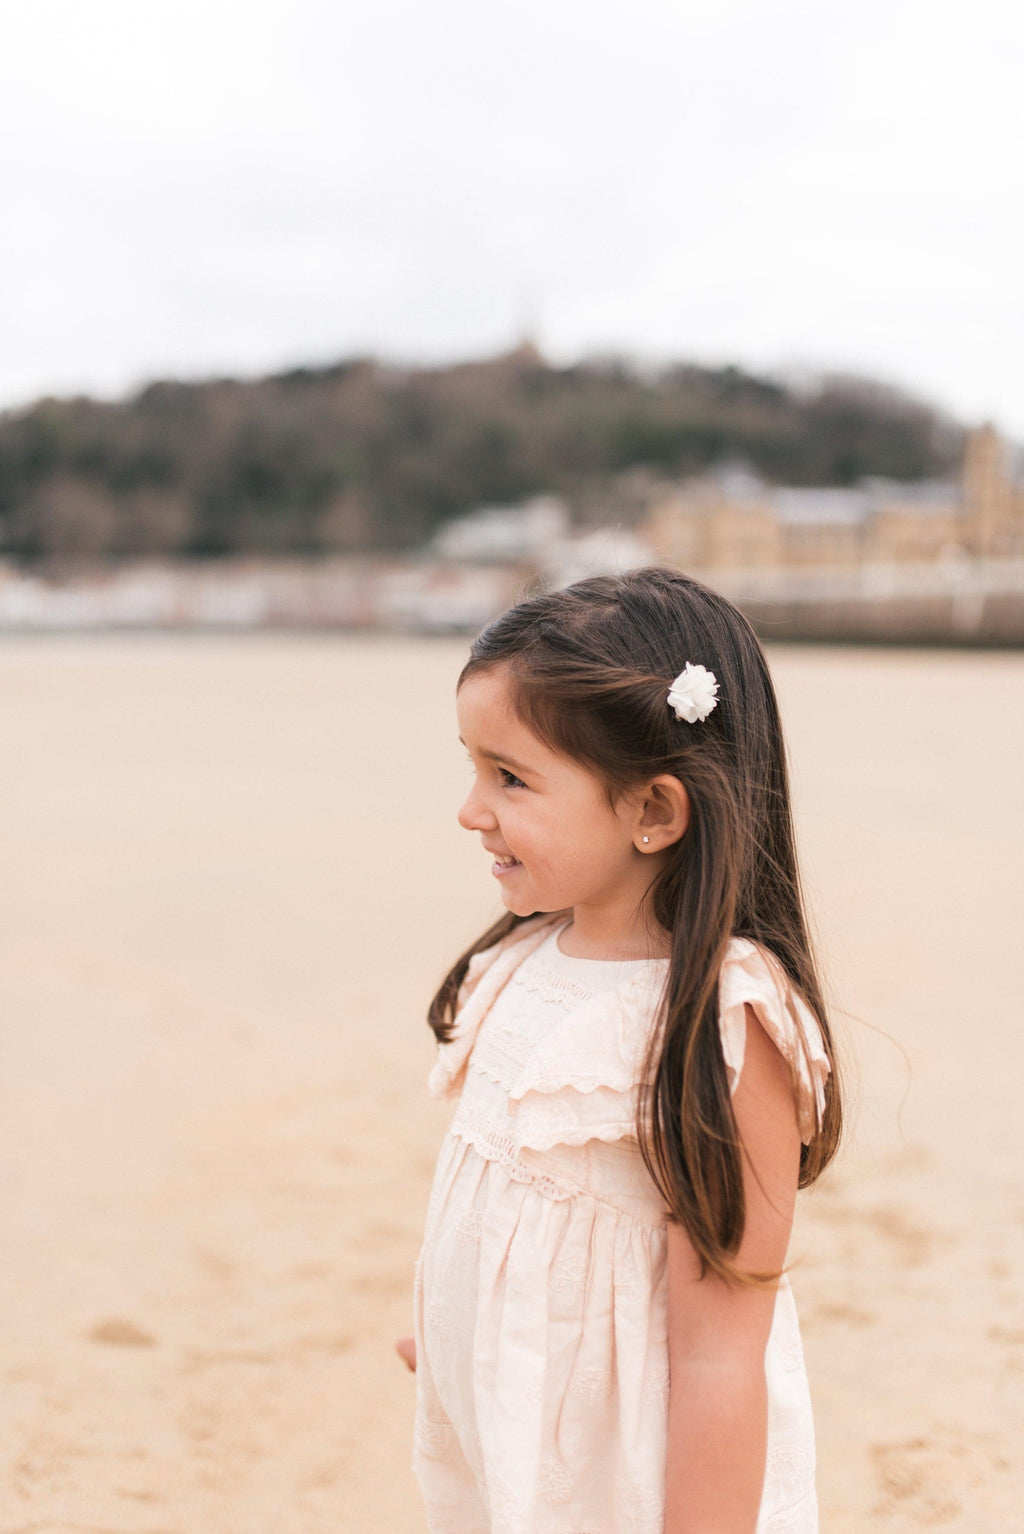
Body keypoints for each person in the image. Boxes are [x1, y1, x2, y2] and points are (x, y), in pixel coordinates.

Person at [395, 566, 842, 1533]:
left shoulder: (721, 1021)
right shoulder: (521, 958)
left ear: (652, 812)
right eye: (474, 767)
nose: (473, 810)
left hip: (642, 1481)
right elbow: (506, 1195)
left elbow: (723, 1352)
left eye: (509, 777)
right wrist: (453, 1319)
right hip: (519, 1431)